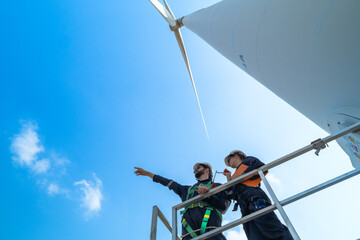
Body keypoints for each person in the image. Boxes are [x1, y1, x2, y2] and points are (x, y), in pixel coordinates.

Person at [134, 163, 229, 239]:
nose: (195, 170)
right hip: (189, 229)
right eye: (194, 169)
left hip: (210, 226)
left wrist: (208, 195)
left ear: (207, 169)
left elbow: (223, 206)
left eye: (197, 167)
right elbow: (169, 182)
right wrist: (148, 174)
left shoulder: (217, 186)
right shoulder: (186, 190)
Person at [223, 150, 294, 240]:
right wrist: (229, 178)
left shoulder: (247, 161)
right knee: (254, 234)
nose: (228, 163)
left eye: (229, 159)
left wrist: (240, 176)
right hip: (243, 205)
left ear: (236, 156)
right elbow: (231, 193)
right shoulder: (234, 175)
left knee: (270, 227)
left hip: (253, 196)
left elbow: (260, 167)